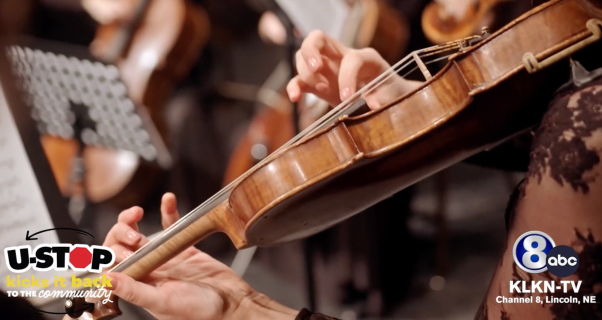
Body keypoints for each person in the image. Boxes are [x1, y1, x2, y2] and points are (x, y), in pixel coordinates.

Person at [100, 22, 602, 320]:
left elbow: (572, 141)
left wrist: (244, 310)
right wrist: (415, 103)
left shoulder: (584, 131)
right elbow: (549, 135)